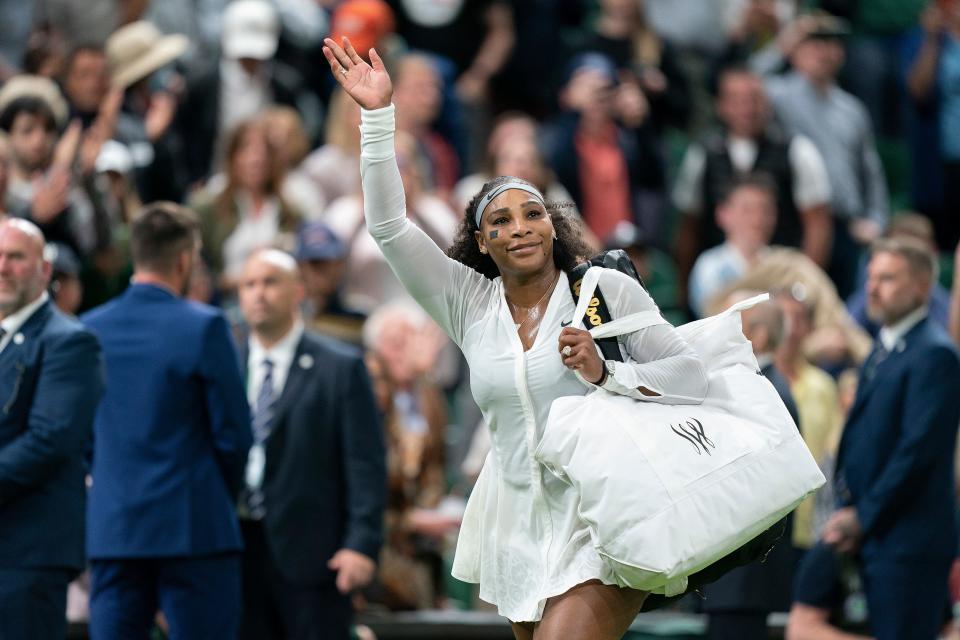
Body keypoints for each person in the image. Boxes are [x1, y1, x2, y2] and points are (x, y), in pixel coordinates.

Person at [323, 37, 708, 639]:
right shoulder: (469, 304)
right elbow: (389, 227)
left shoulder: (603, 288)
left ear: (553, 226)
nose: (520, 228)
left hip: (602, 512)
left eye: (532, 214)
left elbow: (690, 375)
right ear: (482, 242)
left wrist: (607, 375)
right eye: (499, 221)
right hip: (518, 521)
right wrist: (378, 118)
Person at [82, 202, 252, 639]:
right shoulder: (206, 327)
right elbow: (234, 434)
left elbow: (78, 433)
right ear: (185, 260)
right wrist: (218, 493)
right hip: (195, 530)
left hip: (115, 531)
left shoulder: (89, 330)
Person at [235, 248, 385, 639]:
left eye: (270, 282)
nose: (258, 293)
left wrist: (361, 544)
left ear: (298, 291)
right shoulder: (224, 366)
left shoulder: (341, 366)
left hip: (314, 559)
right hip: (236, 553)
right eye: (249, 284)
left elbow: (365, 464)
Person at [826, 237, 960, 640]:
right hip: (885, 537)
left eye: (887, 278)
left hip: (910, 544)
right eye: (870, 277)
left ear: (921, 287)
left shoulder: (935, 354)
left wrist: (863, 517)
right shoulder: (885, 348)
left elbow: (916, 454)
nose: (873, 287)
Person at [0, 218, 103, 639]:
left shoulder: (68, 341)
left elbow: (49, 441)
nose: (3, 267)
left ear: (44, 271)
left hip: (28, 552)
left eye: (16, 257)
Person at [702, 295, 799, 640]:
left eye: (729, 324)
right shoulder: (764, 387)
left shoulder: (763, 391)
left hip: (742, 574)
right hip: (739, 577)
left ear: (756, 336)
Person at [687, 173, 778, 318]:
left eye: (765, 210)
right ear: (723, 214)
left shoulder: (783, 263)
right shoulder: (709, 266)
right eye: (747, 210)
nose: (757, 219)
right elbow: (711, 315)